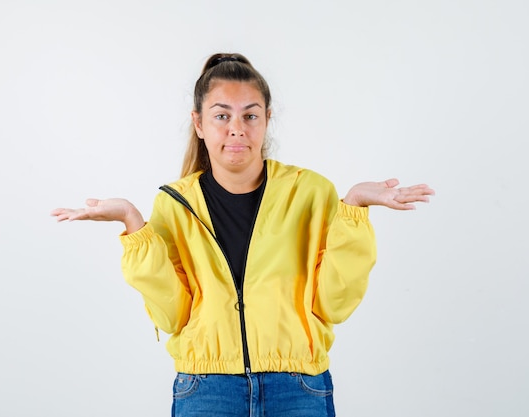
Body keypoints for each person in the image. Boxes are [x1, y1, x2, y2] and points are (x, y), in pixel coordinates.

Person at [51, 52, 434, 417]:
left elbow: (334, 305)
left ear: (266, 120)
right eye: (222, 115)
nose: (237, 127)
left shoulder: (312, 193)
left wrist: (354, 207)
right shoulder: (174, 204)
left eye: (250, 115)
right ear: (199, 123)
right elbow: (172, 316)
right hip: (206, 390)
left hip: (298, 388)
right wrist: (133, 222)